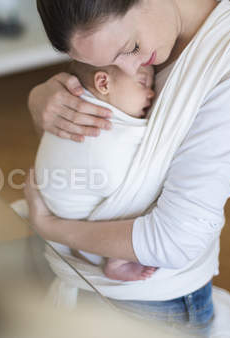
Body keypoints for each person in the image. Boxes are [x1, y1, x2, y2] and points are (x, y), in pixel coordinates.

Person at [24, 0, 230, 334]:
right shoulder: (143, 33)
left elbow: (176, 240)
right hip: (78, 265)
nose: (131, 70)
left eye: (129, 49)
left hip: (154, 295)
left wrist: (50, 226)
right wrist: (43, 98)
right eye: (108, 64)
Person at [35, 61, 158, 281]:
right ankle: (116, 259)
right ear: (103, 83)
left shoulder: (71, 109)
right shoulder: (105, 132)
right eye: (142, 82)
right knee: (146, 192)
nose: (151, 93)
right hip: (86, 231)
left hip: (58, 203)